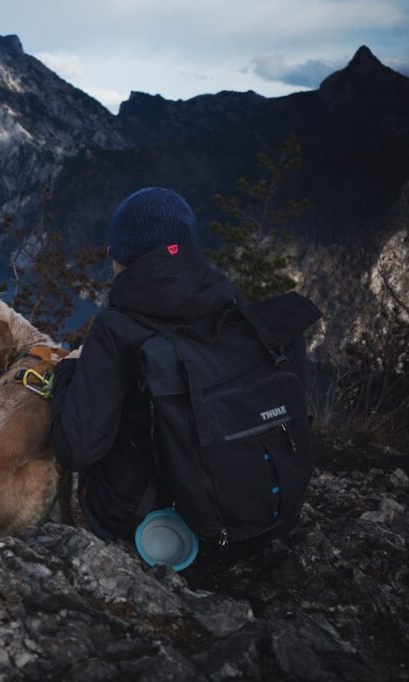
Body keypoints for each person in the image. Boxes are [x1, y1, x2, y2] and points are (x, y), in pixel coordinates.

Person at [50, 186, 244, 543]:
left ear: (120, 255)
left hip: (140, 514)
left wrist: (68, 370)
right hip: (232, 495)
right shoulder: (227, 300)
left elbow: (76, 448)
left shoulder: (115, 327)